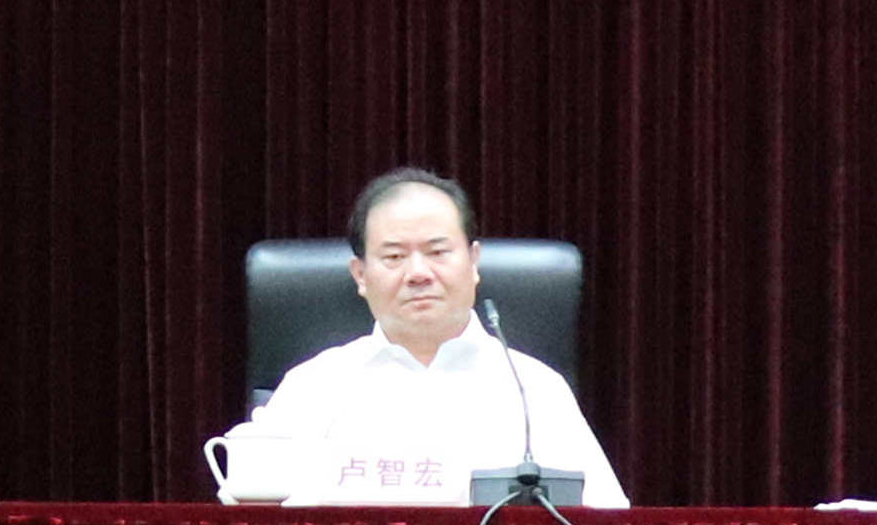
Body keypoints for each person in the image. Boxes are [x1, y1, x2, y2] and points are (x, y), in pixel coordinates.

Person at [223, 167, 629, 507]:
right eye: (394, 257)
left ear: (473, 262)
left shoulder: (534, 389)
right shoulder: (314, 385)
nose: (418, 273)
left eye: (437, 252)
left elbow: (604, 524)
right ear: (360, 276)